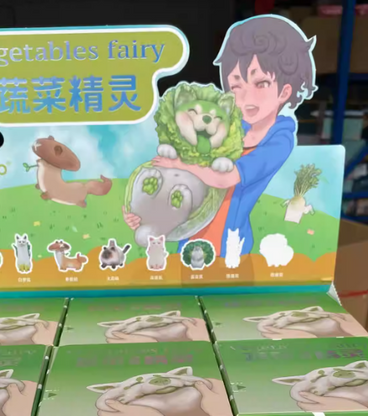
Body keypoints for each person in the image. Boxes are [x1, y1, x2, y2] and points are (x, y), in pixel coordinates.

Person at [124, 16, 316, 259]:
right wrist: (142, 212)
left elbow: (226, 179)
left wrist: (179, 164)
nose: (246, 97)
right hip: (189, 237)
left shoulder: (279, 141)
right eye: (236, 86)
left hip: (230, 249)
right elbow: (180, 177)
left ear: (285, 91)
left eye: (261, 83)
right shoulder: (229, 127)